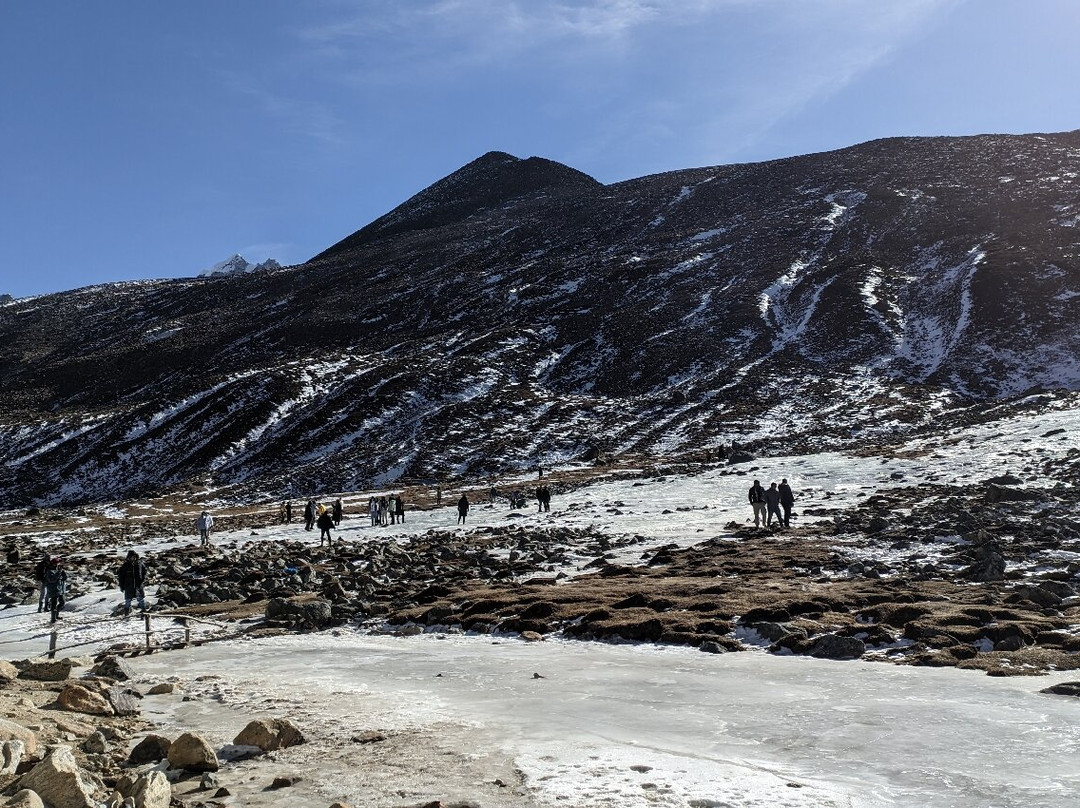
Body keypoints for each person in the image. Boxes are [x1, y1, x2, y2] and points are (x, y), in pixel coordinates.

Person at [117, 550, 147, 615]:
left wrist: (142, 579)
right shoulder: (125, 565)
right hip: (128, 585)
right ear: (129, 557)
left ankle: (144, 612)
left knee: (141, 599)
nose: (134, 558)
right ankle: (126, 612)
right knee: (128, 600)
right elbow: (121, 577)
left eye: (134, 556)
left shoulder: (139, 564)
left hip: (138, 585)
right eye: (132, 557)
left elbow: (144, 571)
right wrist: (122, 586)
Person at [42, 557, 67, 624]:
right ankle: (53, 619)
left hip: (60, 589)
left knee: (62, 602)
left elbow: (64, 578)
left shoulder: (58, 570)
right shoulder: (49, 571)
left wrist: (64, 574)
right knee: (54, 604)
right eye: (56, 563)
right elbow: (51, 580)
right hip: (53, 589)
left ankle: (57, 615)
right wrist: (58, 573)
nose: (57, 564)